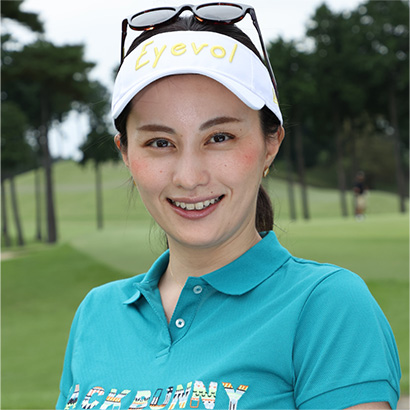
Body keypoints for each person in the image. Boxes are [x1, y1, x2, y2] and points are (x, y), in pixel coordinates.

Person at [57, 4, 401, 410]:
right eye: (160, 143)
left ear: (270, 144)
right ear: (126, 153)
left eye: (219, 138)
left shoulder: (327, 306)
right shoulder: (97, 314)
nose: (189, 176)